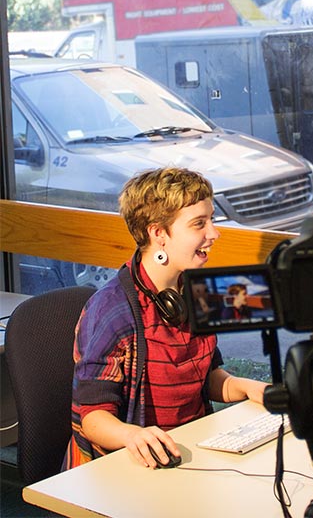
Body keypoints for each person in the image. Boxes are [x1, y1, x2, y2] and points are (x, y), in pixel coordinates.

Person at [64, 167, 268, 470]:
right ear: (158, 233)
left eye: (211, 220)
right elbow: (92, 418)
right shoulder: (112, 311)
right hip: (122, 469)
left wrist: (247, 387)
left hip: (188, 454)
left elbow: (206, 378)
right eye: (199, 223)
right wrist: (131, 434)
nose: (214, 233)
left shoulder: (193, 291)